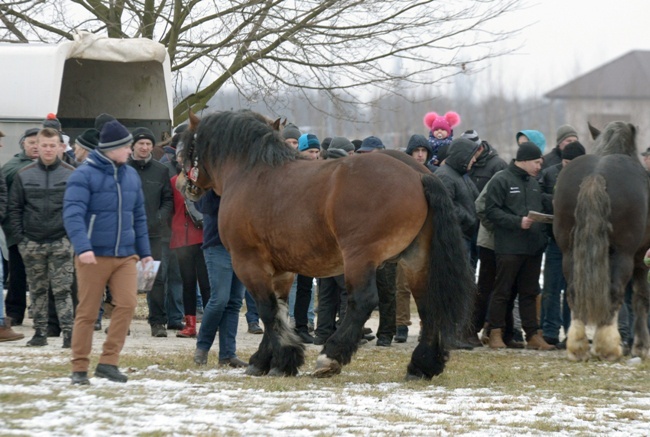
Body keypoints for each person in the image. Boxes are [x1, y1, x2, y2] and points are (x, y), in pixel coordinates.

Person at [64, 120, 153, 384]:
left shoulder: (130, 175)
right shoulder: (83, 174)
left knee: (127, 304)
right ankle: (79, 368)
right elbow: (72, 215)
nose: (130, 150)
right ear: (112, 148)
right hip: (93, 254)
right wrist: (83, 247)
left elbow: (139, 216)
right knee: (88, 313)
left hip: (126, 255)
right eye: (126, 146)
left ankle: (108, 362)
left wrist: (145, 251)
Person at [9, 127, 76, 348]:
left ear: (60, 146)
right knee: (37, 290)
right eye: (44, 145)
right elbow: (15, 209)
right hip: (32, 243)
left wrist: (71, 238)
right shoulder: (24, 174)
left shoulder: (71, 173)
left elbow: (77, 208)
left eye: (52, 145)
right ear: (37, 147)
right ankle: (40, 332)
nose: (48, 150)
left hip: (61, 242)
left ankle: (69, 333)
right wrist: (21, 240)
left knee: (63, 290)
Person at [484, 142, 554, 351]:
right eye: (536, 162)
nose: (539, 166)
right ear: (523, 160)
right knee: (503, 291)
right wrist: (517, 222)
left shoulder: (533, 183)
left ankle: (532, 335)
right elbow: (491, 211)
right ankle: (495, 332)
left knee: (529, 292)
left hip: (532, 249)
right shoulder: (501, 179)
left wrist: (542, 236)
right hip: (509, 248)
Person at [538, 141, 586, 348]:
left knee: (572, 289)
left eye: (572, 163)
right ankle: (549, 331)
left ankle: (570, 331)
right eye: (566, 162)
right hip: (556, 240)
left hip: (579, 243)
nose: (568, 167)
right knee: (551, 287)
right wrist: (557, 201)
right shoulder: (550, 174)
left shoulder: (589, 177)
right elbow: (538, 196)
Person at [193, 190, 248, 368]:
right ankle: (202, 347)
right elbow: (202, 205)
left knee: (234, 302)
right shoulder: (211, 184)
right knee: (219, 299)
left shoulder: (243, 182)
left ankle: (227, 354)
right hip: (217, 245)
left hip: (241, 247)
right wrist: (223, 190)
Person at [127, 127, 173, 338]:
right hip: (126, 234)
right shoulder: (122, 168)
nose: (144, 147)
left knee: (154, 279)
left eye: (148, 144)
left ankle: (157, 322)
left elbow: (168, 200)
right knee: (124, 278)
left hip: (153, 234)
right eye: (141, 144)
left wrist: (159, 217)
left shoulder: (161, 170)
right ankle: (123, 321)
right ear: (133, 146)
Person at [170, 151, 210, 339]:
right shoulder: (172, 182)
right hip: (181, 239)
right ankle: (190, 324)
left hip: (201, 236)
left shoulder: (203, 181)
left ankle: (210, 323)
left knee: (205, 282)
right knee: (187, 283)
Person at [1, 127, 39, 327]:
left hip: (44, 232)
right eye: (31, 142)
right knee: (17, 275)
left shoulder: (52, 167)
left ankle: (44, 314)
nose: (35, 146)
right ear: (23, 143)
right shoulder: (11, 167)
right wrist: (10, 227)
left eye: (38, 142)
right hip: (17, 231)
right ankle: (14, 312)